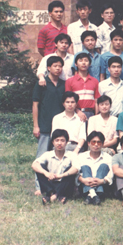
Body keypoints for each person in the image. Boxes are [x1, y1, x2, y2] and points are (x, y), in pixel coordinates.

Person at [32, 56, 67, 194]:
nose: (58, 68)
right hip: (45, 125)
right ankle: (39, 186)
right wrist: (36, 125)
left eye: (60, 66)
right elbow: (35, 105)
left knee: (58, 157)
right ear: (48, 68)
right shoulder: (42, 83)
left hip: (60, 126)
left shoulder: (64, 84)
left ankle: (55, 186)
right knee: (42, 157)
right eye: (55, 66)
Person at [32, 129, 78, 205]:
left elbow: (76, 168)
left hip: (64, 184)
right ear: (53, 142)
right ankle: (55, 194)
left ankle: (52, 195)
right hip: (51, 182)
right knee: (40, 167)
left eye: (62, 140)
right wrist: (46, 173)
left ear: (66, 142)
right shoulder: (48, 154)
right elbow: (34, 165)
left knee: (70, 171)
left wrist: (61, 175)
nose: (59, 143)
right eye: (57, 140)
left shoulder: (72, 155)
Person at [74, 131, 114, 206]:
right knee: (85, 167)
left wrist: (102, 181)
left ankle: (90, 195)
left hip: (102, 185)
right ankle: (94, 195)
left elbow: (111, 173)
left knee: (103, 166)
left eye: (99, 142)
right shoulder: (81, 156)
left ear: (102, 144)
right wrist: (82, 180)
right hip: (84, 184)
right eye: (93, 142)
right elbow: (76, 172)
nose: (96, 144)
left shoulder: (108, 157)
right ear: (88, 143)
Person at [65, 52, 99, 118]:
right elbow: (68, 100)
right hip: (75, 113)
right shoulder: (69, 81)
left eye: (86, 60)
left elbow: (96, 101)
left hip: (91, 113)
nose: (83, 63)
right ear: (75, 64)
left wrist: (96, 116)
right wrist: (77, 111)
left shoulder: (95, 81)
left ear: (89, 64)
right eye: (80, 61)